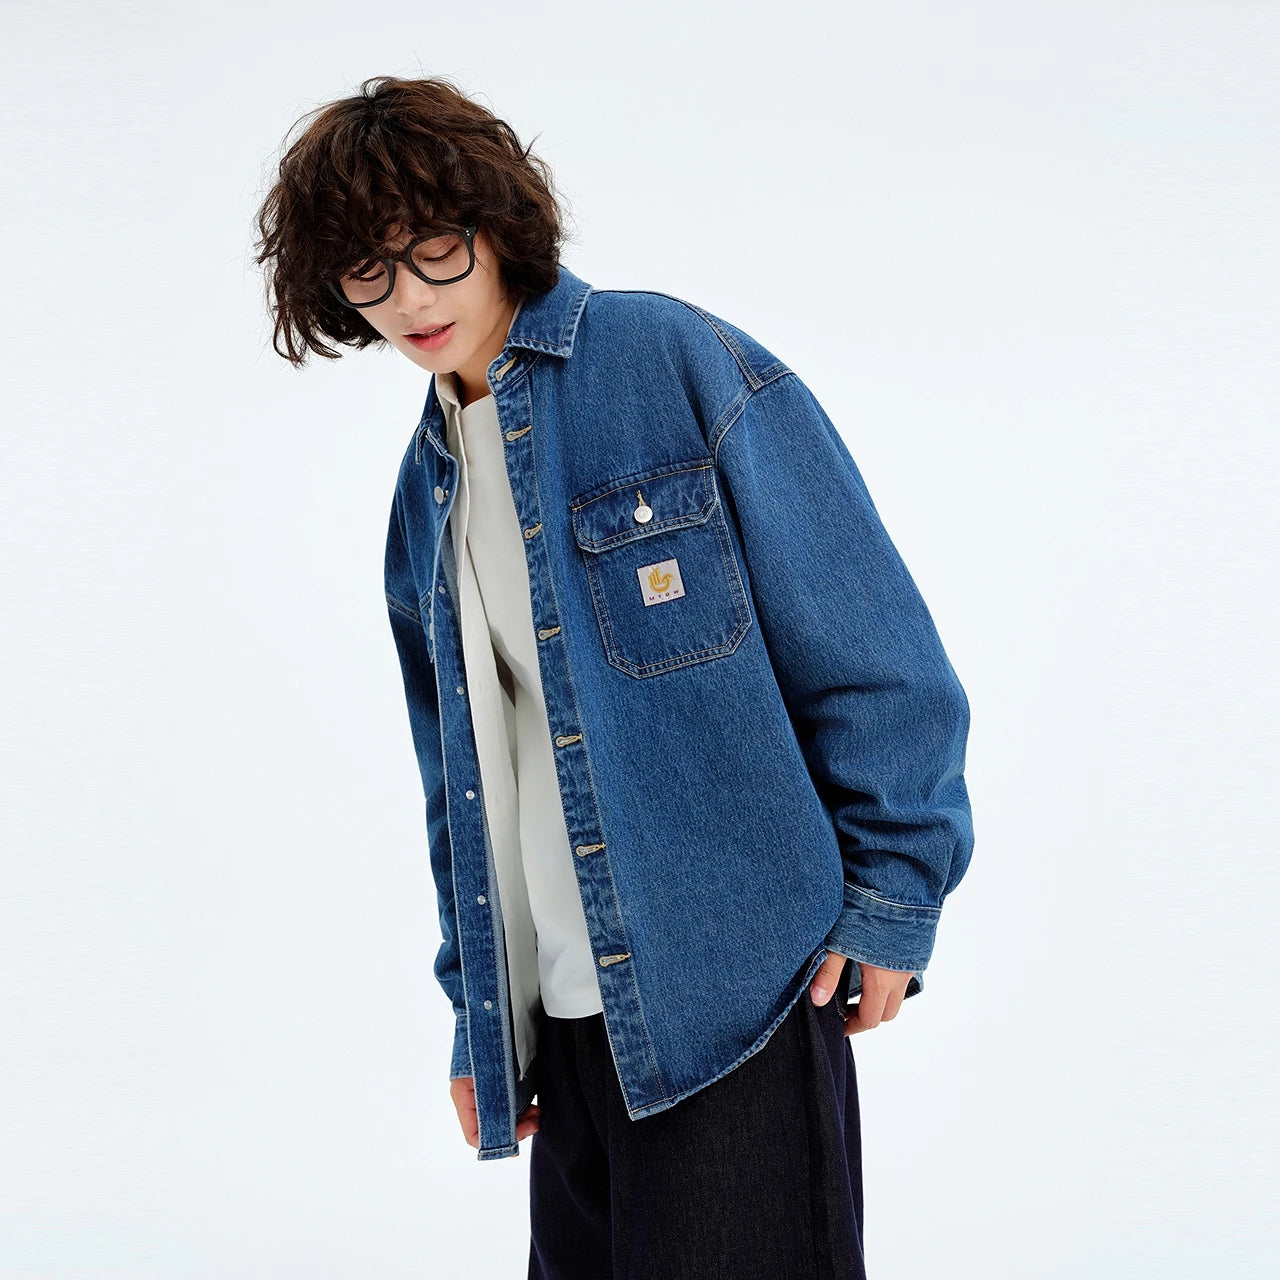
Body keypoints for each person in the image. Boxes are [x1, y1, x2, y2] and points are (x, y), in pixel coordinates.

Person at [254, 73, 974, 1280]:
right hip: (568, 1031)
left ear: (496, 223)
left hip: (737, 994)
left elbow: (873, 649)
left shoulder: (664, 358)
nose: (410, 297)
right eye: (367, 270)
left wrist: (894, 892)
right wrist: (481, 1014)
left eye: (434, 247)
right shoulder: (422, 499)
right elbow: (463, 789)